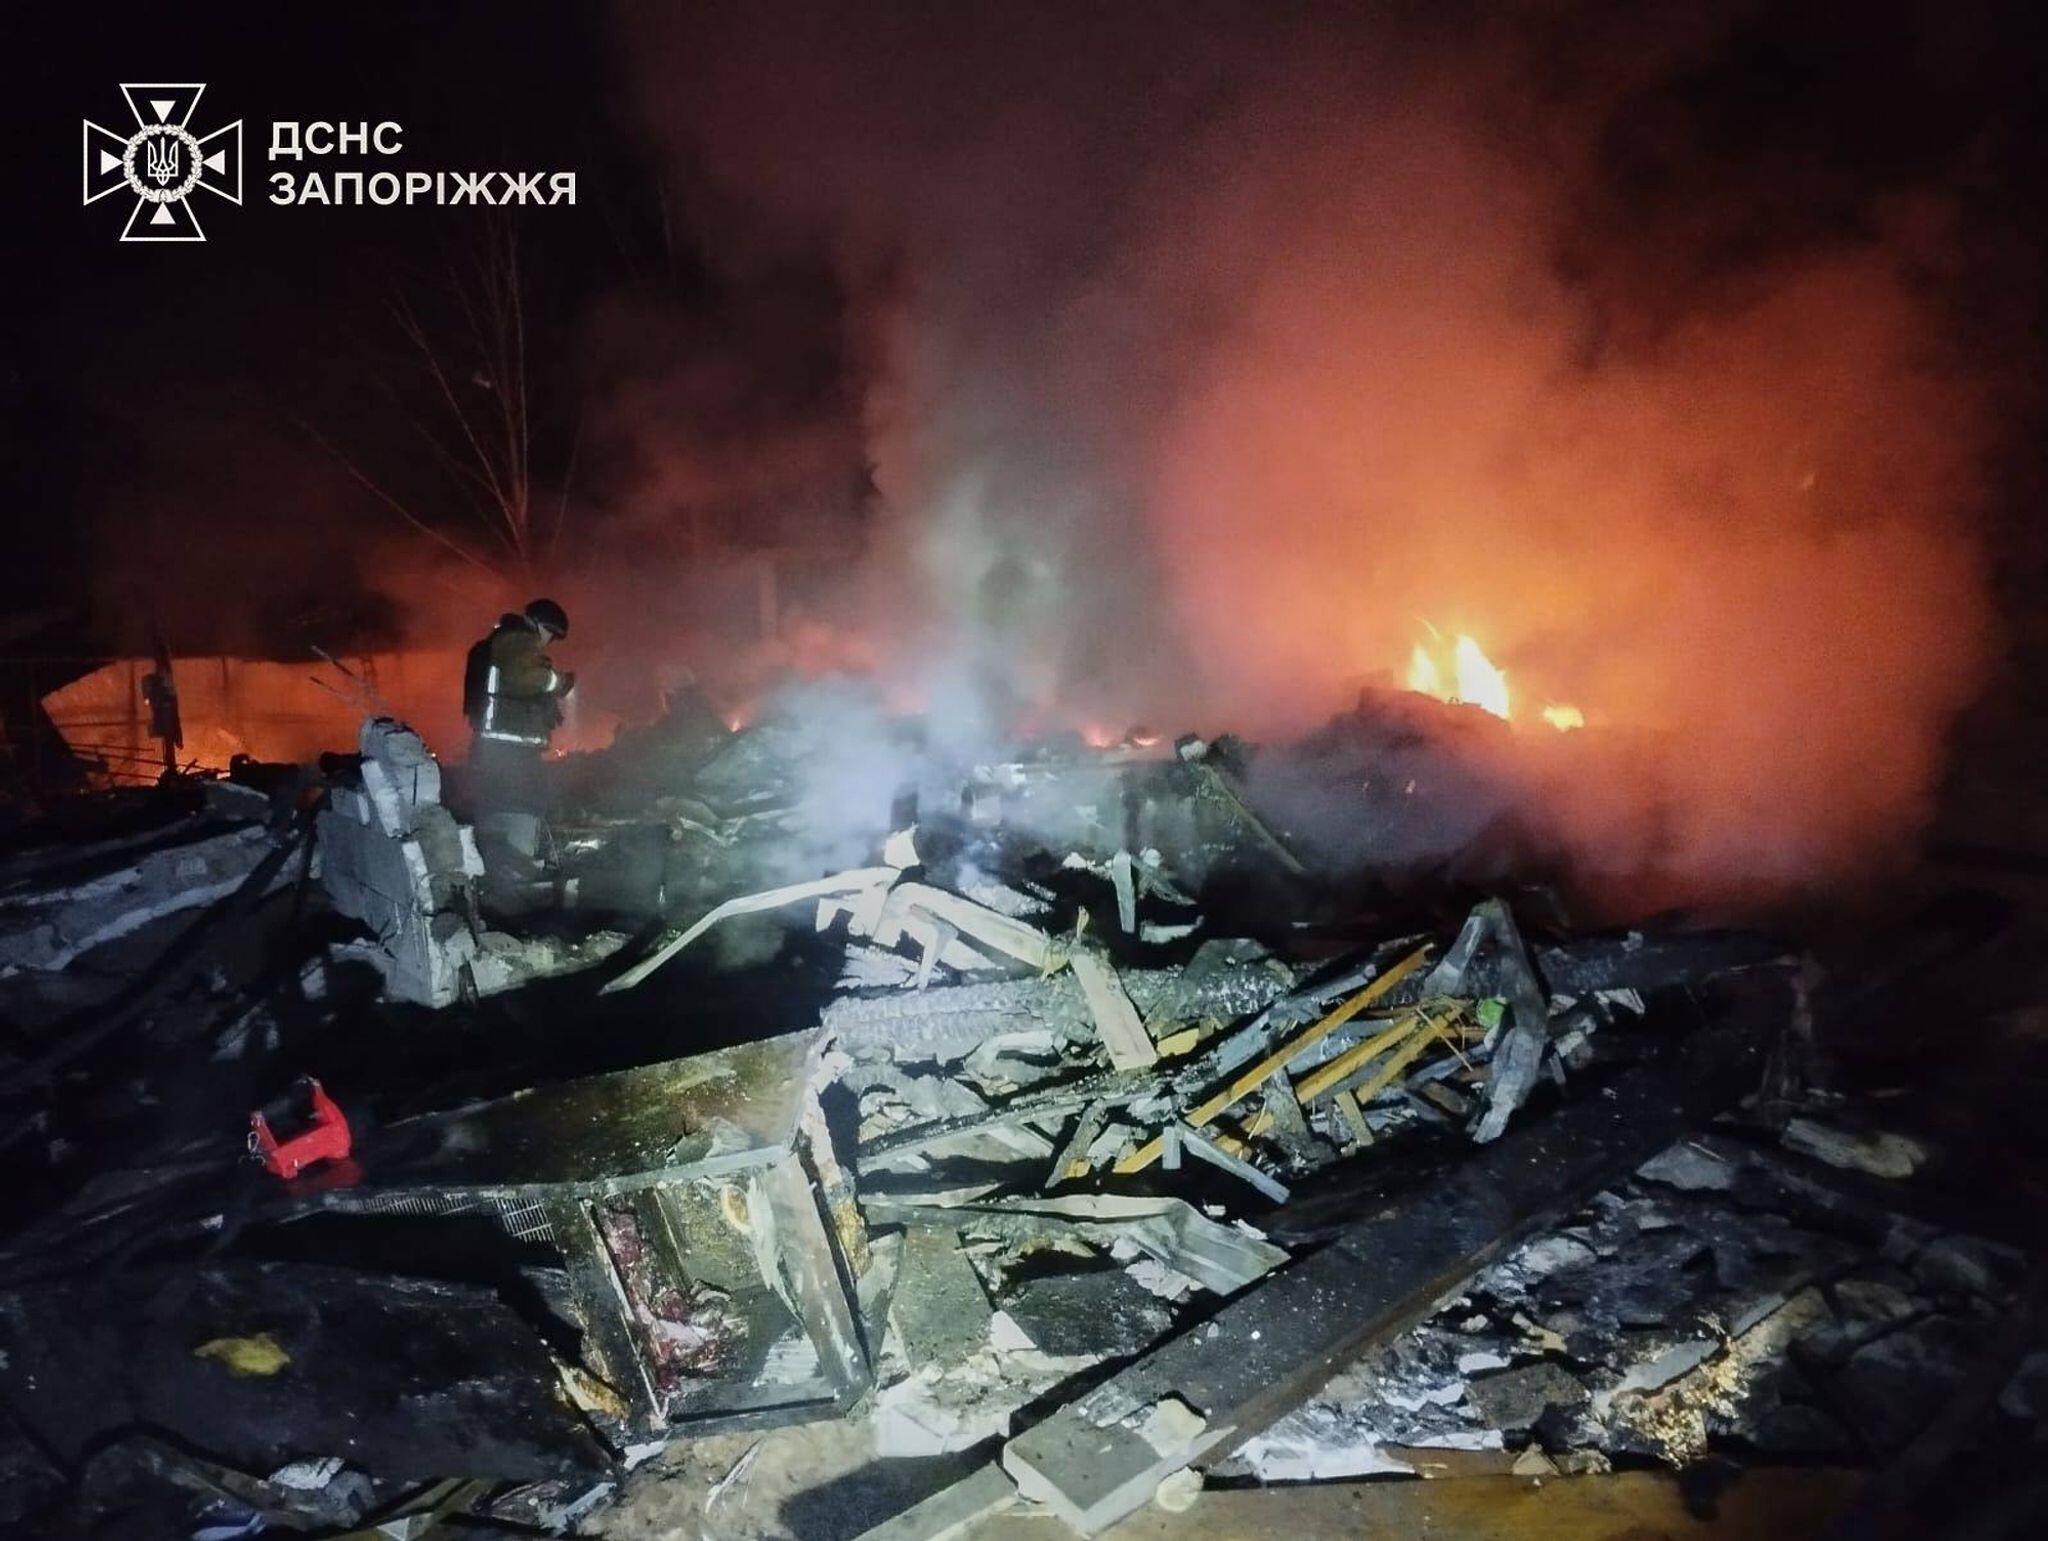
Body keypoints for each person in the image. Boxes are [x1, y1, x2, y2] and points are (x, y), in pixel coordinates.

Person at [463, 598, 575, 834]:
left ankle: (501, 848)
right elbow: (525, 677)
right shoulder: (518, 639)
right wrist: (559, 682)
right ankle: (515, 852)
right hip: (512, 749)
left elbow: (512, 684)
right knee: (519, 808)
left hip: (499, 746)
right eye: (551, 634)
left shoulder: (501, 641)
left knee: (499, 808)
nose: (548, 641)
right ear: (539, 624)